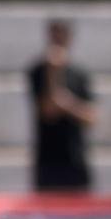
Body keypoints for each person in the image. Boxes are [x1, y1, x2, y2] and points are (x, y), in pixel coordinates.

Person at [27, 19, 97, 192]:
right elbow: (48, 111)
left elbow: (91, 117)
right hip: (48, 162)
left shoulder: (79, 74)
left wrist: (66, 103)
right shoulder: (38, 72)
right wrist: (53, 74)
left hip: (75, 159)